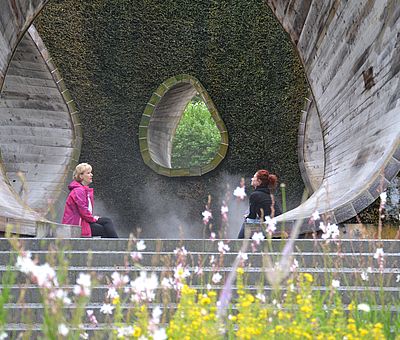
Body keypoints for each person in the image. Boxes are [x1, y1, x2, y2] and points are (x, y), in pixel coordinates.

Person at [62, 163, 118, 238]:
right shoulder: (79, 191)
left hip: (83, 221)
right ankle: (119, 248)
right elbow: (83, 211)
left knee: (107, 221)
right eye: (88, 173)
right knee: (105, 228)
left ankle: (115, 247)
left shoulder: (82, 190)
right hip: (77, 224)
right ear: (81, 176)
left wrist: (94, 218)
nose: (91, 175)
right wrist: (94, 219)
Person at [238, 169, 281, 239]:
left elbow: (252, 216)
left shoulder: (255, 195)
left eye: (254, 177)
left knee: (246, 222)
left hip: (270, 229)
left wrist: (246, 217)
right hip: (278, 228)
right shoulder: (268, 194)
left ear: (259, 182)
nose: (252, 179)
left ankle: (239, 245)